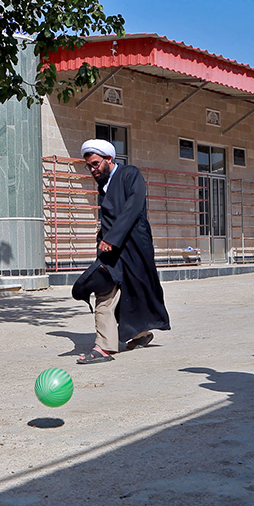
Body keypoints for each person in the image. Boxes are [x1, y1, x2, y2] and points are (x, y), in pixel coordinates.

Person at [75, 139, 170, 364]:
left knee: (136, 291)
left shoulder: (130, 174)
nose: (92, 169)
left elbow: (133, 208)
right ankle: (105, 346)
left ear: (109, 159)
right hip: (112, 251)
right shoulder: (104, 184)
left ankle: (139, 334)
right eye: (88, 166)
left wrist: (111, 237)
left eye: (95, 164)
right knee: (105, 291)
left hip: (133, 246)